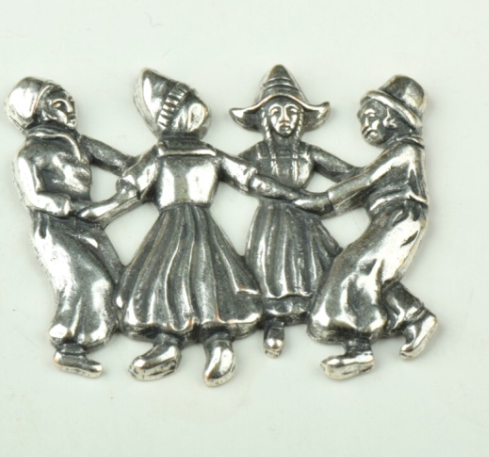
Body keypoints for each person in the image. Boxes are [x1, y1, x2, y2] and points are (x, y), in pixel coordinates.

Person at [80, 69, 300, 386]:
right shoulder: (160, 154)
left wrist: (292, 194)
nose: (199, 112)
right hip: (177, 226)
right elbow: (131, 193)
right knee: (169, 280)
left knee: (207, 280)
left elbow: (251, 179)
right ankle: (169, 344)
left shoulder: (208, 152)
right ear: (172, 116)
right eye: (189, 105)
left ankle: (218, 344)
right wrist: (102, 212)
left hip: (195, 226)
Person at [295, 75, 439, 380]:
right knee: (375, 273)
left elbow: (366, 180)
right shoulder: (396, 152)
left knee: (355, 266)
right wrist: (319, 162)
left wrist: (321, 201)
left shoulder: (406, 149)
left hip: (401, 217)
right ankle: (415, 318)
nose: (365, 124)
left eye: (371, 115)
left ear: (393, 117)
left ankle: (360, 349)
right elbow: (360, 176)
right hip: (392, 217)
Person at [7, 77, 135, 377]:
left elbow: (124, 163)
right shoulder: (31, 153)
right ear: (36, 111)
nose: (69, 108)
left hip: (88, 226)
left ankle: (114, 328)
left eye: (69, 101)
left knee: (118, 279)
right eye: (58, 103)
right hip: (55, 227)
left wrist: (153, 165)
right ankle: (69, 347)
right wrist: (73, 207)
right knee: (90, 281)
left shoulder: (80, 143)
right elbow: (34, 197)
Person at [230, 65, 359, 357]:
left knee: (317, 265)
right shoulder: (257, 153)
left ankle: (323, 314)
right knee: (269, 266)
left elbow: (347, 173)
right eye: (276, 112)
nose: (284, 119)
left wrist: (377, 175)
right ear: (264, 118)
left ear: (301, 117)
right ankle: (273, 322)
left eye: (291, 111)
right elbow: (229, 171)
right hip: (271, 220)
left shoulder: (307, 152)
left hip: (306, 216)